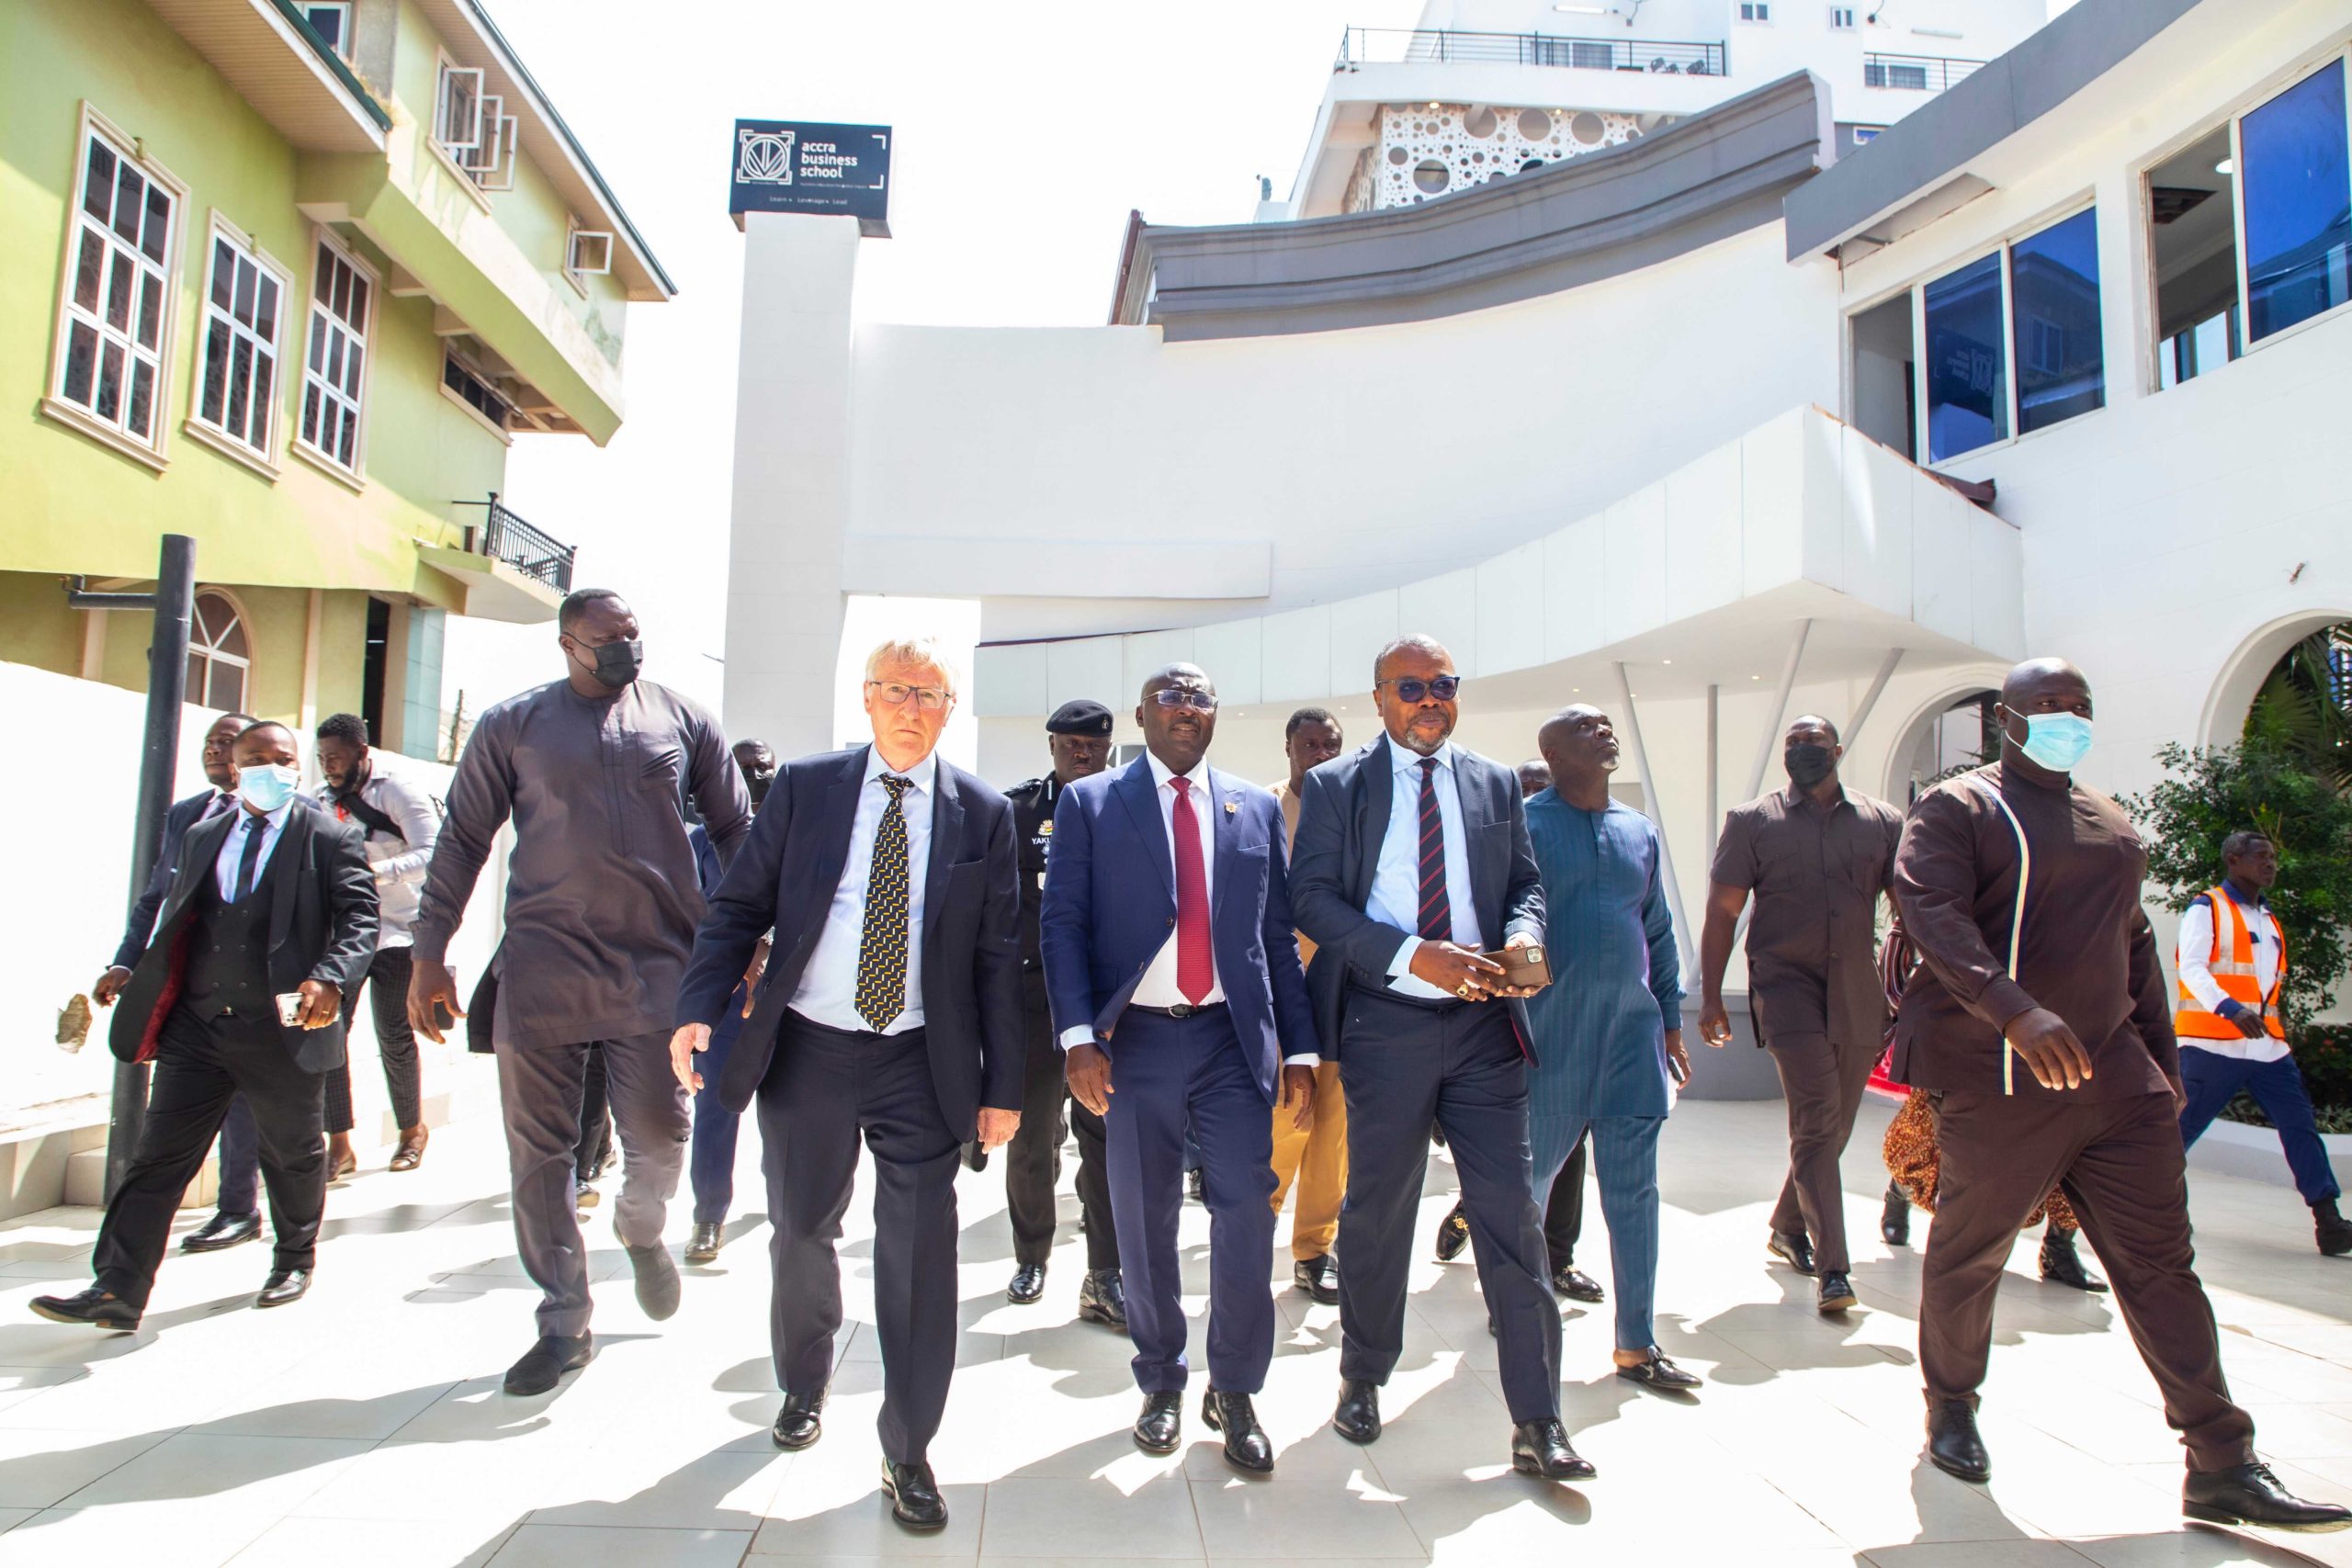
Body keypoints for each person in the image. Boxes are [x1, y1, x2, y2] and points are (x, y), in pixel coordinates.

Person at [1893, 656, 2346, 1530]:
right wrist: (2014, 1011)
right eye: (2047, 704)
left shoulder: (2109, 818)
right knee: (1971, 1251)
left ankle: (2221, 1461)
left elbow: (2133, 945)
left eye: (2079, 704)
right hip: (2001, 1079)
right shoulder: (1960, 807)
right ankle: (1951, 1404)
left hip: (2118, 1085)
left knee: (2162, 1267)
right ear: (2006, 719)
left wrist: (2166, 1072)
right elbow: (1929, 912)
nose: (2067, 715)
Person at [671, 636, 1023, 1534]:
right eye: (895, 689)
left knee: (919, 1257)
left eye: (930, 693)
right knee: (800, 1230)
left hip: (921, 1060)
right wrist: (698, 1006)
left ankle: (907, 1449)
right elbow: (740, 907)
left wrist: (1004, 1085)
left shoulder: (983, 813)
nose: (911, 706)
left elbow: (995, 961)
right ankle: (803, 1380)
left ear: (950, 709)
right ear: (866, 698)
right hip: (810, 1051)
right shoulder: (807, 789)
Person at [407, 589, 752, 1398]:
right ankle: (564, 1319)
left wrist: (748, 937)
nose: (626, 647)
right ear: (568, 644)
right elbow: (462, 839)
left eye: (633, 633)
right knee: (540, 1155)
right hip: (544, 964)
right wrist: (430, 952)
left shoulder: (682, 717)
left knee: (662, 1138)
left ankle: (640, 1226)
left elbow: (740, 832)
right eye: (607, 638)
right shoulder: (513, 725)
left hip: (657, 964)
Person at [1291, 634, 1588, 1482]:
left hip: (1487, 1030)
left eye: (1443, 685)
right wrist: (1409, 953)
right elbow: (1308, 895)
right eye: (1412, 686)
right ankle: (1362, 1374)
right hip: (1386, 1025)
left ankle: (1539, 1417)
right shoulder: (1339, 785)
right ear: (1381, 698)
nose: (1430, 700)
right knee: (1380, 1209)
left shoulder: (1494, 781)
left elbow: (1523, 881)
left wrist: (1524, 930)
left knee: (1511, 1217)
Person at [1041, 663, 1318, 1472]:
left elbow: (1274, 939)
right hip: (1135, 1042)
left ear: (1216, 716)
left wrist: (1297, 1048)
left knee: (1246, 1211)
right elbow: (1062, 925)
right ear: (1141, 714)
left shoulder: (1255, 806)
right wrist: (1076, 1037)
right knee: (1143, 1213)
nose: (1186, 709)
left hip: (1232, 1041)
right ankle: (1161, 1379)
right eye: (1170, 696)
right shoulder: (1091, 802)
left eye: (1199, 697)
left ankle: (1233, 1387)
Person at [36, 723, 377, 1329]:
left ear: (298, 765)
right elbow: (172, 912)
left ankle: (293, 1259)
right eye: (255, 759)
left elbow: (359, 918)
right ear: (233, 767)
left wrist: (331, 975)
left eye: (282, 758)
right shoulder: (202, 834)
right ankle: (116, 1287)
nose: (269, 768)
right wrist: (130, 965)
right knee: (158, 1157)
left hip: (283, 1025)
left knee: (292, 1152)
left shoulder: (331, 835)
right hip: (198, 1024)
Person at [1696, 716, 1903, 1314]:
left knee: (1833, 1127)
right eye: (1792, 743)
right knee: (1816, 1119)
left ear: (1838, 751)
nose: (1802, 752)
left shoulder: (1882, 821)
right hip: (1785, 985)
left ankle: (1788, 1224)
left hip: (1857, 989)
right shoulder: (1753, 821)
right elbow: (1722, 914)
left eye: (1814, 744)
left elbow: (1909, 905)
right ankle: (1834, 1268)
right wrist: (1711, 995)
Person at [1523, 706, 1699, 1391]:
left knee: (1635, 1192)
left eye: (1606, 723)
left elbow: (1656, 931)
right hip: (1548, 1039)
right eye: (1586, 727)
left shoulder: (1638, 831)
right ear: (1553, 751)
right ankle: (1518, 1314)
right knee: (1527, 1192)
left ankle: (1637, 1343)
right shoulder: (1526, 828)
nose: (1605, 731)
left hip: (1632, 1036)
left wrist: (1673, 1022)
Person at [91, 710, 268, 1257]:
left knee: (240, 1100)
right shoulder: (187, 815)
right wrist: (127, 961)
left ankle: (241, 1209)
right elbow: (156, 895)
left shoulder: (276, 817)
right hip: (183, 981)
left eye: (226, 743)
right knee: (175, 1102)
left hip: (245, 986)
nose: (214, 751)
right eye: (209, 743)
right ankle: (133, 1248)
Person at [1433, 755, 1601, 1305]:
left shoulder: (1579, 843)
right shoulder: (1491, 848)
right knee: (1502, 1148)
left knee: (1569, 1144)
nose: (1528, 800)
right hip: (1498, 1016)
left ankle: (1559, 1257)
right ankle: (1484, 1234)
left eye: (1538, 789)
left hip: (1566, 1012)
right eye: (1523, 790)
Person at [1001, 701, 1124, 1324]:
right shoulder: (1016, 811)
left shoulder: (1126, 805)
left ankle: (1105, 1270)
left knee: (1103, 1136)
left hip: (1104, 1004)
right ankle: (1032, 1254)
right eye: (1071, 745)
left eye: (1094, 746)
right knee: (1030, 1139)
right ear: (1051, 745)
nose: (1083, 755)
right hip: (1033, 998)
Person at [2175, 830, 2352, 1256]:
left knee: (2300, 1128)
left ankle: (2329, 1222)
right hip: (2212, 1045)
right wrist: (2230, 1008)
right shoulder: (2206, 908)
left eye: (2273, 856)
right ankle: (2155, 1214)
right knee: (2175, 1136)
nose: (2271, 863)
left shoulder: (2267, 917)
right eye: (2261, 857)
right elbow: (2192, 968)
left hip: (2268, 1049)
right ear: (2234, 860)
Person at [315, 712, 441, 1176]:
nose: (329, 766)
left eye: (338, 758)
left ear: (362, 754)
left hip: (399, 929)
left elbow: (434, 851)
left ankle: (411, 1133)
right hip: (344, 933)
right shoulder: (319, 801)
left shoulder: (397, 792)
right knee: (328, 1034)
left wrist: (375, 874)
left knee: (393, 1033)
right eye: (323, 758)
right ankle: (340, 1144)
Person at [682, 738, 775, 1265]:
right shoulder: (702, 841)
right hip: (724, 1002)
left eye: (764, 767)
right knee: (715, 1107)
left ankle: (783, 1201)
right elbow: (693, 910)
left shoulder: (795, 832)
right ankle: (707, 1217)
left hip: (783, 1000)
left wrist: (767, 947)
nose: (756, 776)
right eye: (745, 769)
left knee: (784, 1110)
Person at [1268, 705, 1347, 1304]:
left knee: (1333, 1136)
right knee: (1281, 1124)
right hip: (1280, 997)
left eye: (1330, 746)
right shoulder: (1263, 808)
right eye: (1309, 744)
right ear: (1289, 748)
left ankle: (1315, 1250)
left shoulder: (1356, 812)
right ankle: (1249, 1231)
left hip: (1345, 995)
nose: (1319, 754)